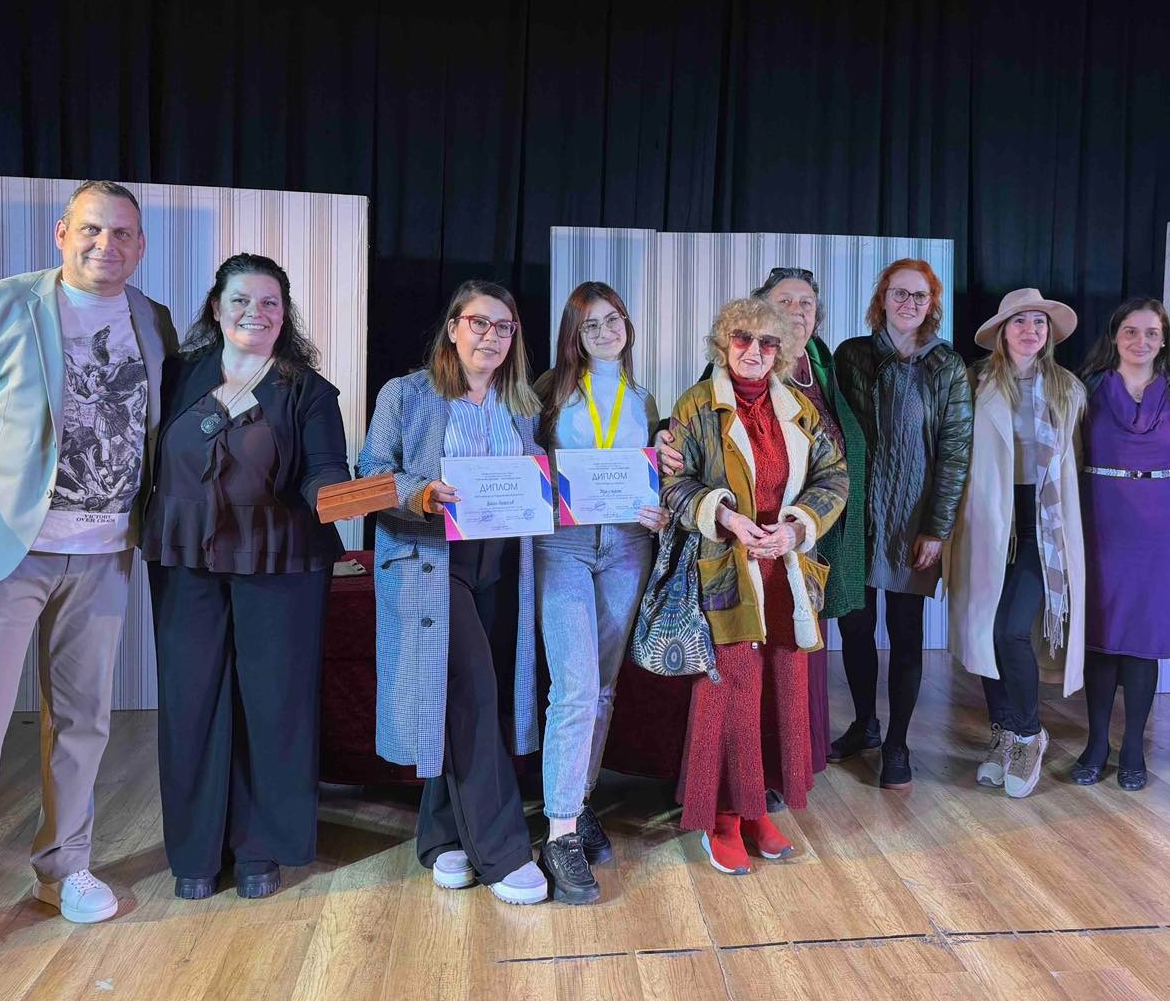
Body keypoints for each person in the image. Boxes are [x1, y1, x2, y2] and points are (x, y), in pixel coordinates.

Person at [0, 181, 177, 991]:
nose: (105, 245)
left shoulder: (153, 321)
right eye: (91, 229)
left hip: (105, 555)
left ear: (140, 245)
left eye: (122, 234)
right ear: (61, 233)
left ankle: (64, 866)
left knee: (83, 723)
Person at [142, 254, 349, 901]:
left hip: (282, 559)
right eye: (240, 300)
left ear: (284, 315)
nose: (253, 313)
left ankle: (262, 848)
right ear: (216, 307)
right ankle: (196, 853)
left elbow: (326, 469)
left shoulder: (308, 390)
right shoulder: (175, 375)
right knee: (191, 704)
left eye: (269, 303)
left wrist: (337, 495)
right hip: (185, 556)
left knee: (274, 703)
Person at [358, 280, 550, 904]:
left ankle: (442, 836)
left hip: (503, 562)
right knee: (473, 692)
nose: (491, 336)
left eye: (503, 327)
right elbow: (370, 474)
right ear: (452, 327)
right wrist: (419, 493)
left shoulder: (521, 403)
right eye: (479, 323)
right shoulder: (406, 393)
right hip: (432, 562)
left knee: (472, 697)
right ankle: (503, 852)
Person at [655, 266, 867, 802]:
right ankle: (722, 812)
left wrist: (797, 528)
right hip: (725, 567)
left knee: (785, 687)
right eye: (743, 338)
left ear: (781, 352)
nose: (754, 350)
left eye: (767, 342)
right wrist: (726, 517)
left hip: (786, 571)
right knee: (729, 690)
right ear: (723, 343)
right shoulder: (697, 403)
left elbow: (834, 476)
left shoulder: (799, 408)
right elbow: (674, 484)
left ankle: (763, 808)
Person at [532, 282, 666, 903]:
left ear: (628, 326)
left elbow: (657, 475)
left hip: (627, 546)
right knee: (576, 686)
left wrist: (660, 507)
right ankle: (559, 832)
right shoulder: (547, 392)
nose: (606, 332)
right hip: (563, 544)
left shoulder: (644, 398)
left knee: (603, 687)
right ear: (574, 336)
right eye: (591, 325)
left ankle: (581, 800)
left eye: (614, 320)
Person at [832, 259, 972, 790]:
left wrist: (937, 528)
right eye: (899, 293)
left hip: (913, 523)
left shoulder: (948, 366)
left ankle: (897, 742)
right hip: (856, 517)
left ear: (932, 303)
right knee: (855, 627)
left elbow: (956, 453)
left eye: (919, 295)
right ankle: (864, 723)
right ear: (882, 299)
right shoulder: (851, 355)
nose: (908, 303)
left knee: (906, 632)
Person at [949, 288, 1085, 799]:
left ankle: (1030, 734)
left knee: (1011, 630)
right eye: (1020, 321)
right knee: (986, 628)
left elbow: (1076, 463)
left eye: (1039, 323)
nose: (1031, 330)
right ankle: (1003, 730)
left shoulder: (1068, 388)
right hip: (989, 521)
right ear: (1002, 331)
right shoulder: (974, 383)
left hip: (1041, 524)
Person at [1073, 299, 1170, 790]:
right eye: (1130, 331)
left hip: (1161, 522)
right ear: (1114, 336)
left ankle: (1132, 749)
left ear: (1163, 340)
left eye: (1151, 332)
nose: (1140, 341)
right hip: (1100, 516)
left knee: (1145, 638)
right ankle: (1096, 743)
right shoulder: (1087, 388)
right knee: (1101, 633)